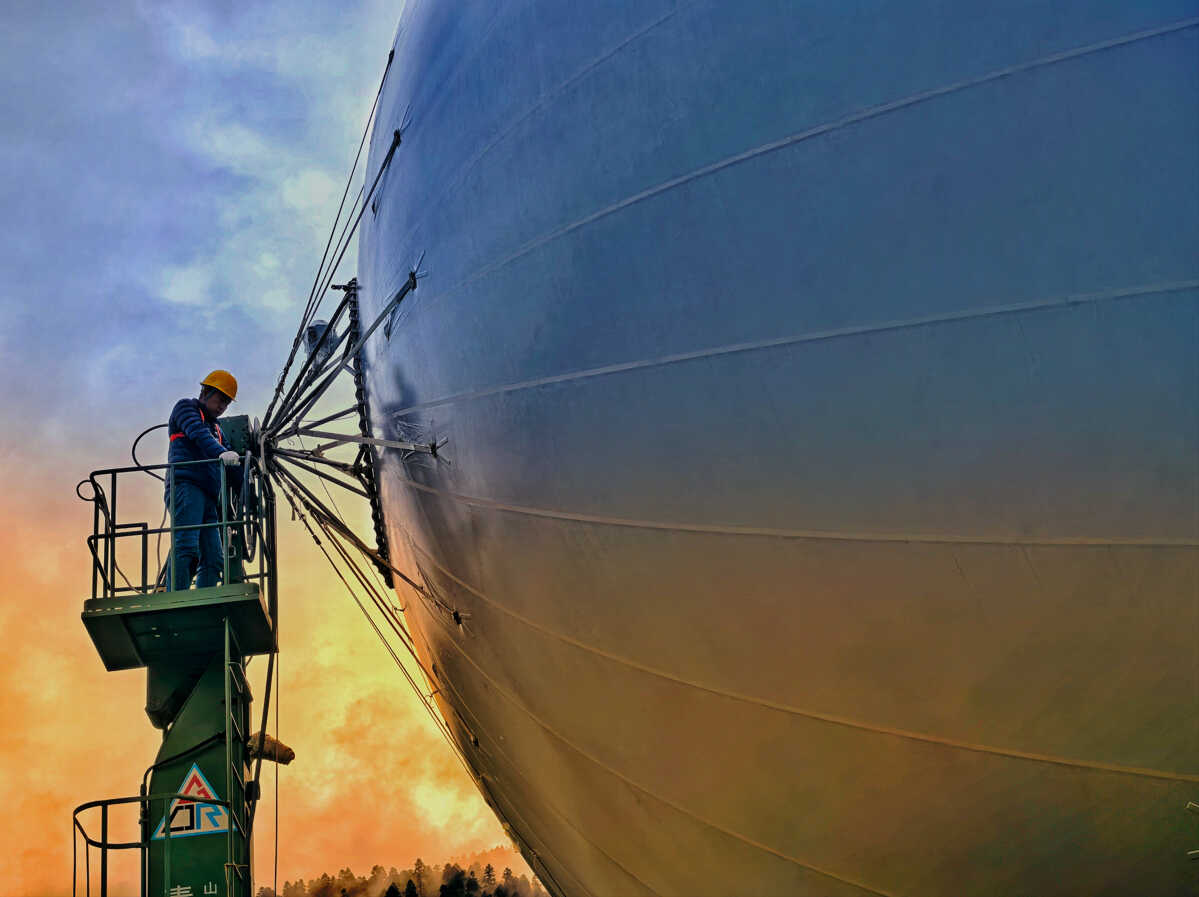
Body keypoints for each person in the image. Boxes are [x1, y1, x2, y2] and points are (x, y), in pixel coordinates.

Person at [165, 370, 241, 590]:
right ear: (206, 392)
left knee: (214, 558)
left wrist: (247, 480)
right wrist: (221, 454)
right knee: (187, 547)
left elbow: (231, 459)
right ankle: (176, 598)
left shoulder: (216, 429)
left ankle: (204, 599)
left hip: (208, 496)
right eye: (221, 399)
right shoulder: (186, 408)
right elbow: (199, 434)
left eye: (227, 403)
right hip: (186, 487)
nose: (222, 406)